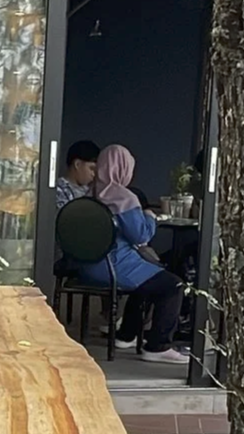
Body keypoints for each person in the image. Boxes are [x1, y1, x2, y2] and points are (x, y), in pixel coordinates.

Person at [76, 144, 188, 365]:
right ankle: (158, 346)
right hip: (116, 265)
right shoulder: (123, 198)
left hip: (86, 268)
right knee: (173, 285)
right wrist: (149, 217)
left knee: (149, 280)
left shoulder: (88, 195)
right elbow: (140, 236)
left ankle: (127, 334)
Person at [54, 139, 100, 208]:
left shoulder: (90, 191)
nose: (93, 174)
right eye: (91, 168)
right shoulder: (58, 190)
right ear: (77, 164)